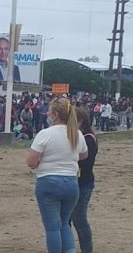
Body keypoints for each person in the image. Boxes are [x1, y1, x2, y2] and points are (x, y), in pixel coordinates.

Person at [26, 97, 88, 253]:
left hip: (48, 182)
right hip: (71, 183)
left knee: (52, 227)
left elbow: (31, 162)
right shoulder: (77, 134)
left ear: (55, 114)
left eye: (49, 110)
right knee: (64, 223)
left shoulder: (45, 134)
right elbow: (83, 155)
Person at [71, 107, 98, 253]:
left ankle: (86, 249)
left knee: (79, 219)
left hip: (83, 183)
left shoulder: (88, 138)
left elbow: (86, 162)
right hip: (75, 182)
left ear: (80, 121)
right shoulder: (79, 135)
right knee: (68, 218)